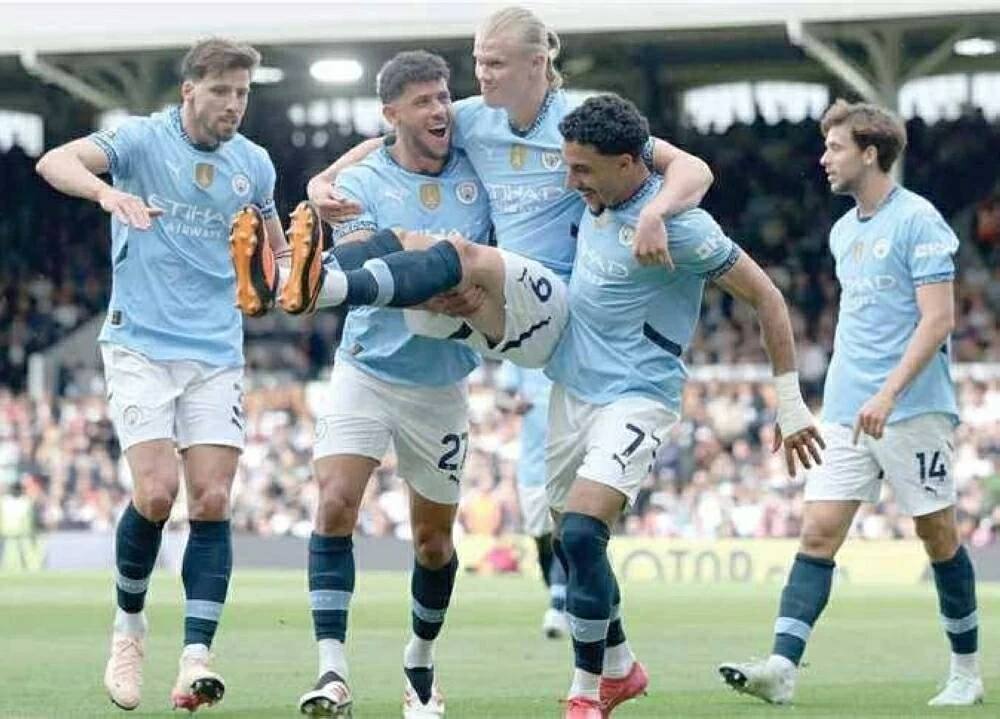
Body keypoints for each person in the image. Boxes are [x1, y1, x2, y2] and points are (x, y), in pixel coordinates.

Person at [548, 94, 822, 718]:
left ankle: (585, 694)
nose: (571, 182)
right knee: (571, 543)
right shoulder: (605, 189)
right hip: (570, 389)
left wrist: (790, 403)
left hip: (638, 394)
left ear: (627, 164)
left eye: (582, 170)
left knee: (584, 534)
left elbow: (768, 298)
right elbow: (690, 165)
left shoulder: (687, 230)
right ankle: (621, 667)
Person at [35, 38, 286, 712]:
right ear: (189, 90)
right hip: (140, 343)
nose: (233, 105)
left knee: (212, 499)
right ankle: (129, 629)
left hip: (215, 349)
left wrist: (291, 274)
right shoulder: (141, 140)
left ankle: (197, 657)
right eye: (222, 91)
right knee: (154, 494)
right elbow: (54, 161)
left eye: (243, 93)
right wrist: (106, 194)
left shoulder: (254, 164)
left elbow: (277, 252)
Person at [718, 100, 983, 707]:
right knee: (817, 533)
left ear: (869, 153)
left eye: (835, 147)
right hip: (845, 409)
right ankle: (782, 666)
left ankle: (966, 673)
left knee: (937, 535)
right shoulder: (843, 232)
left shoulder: (919, 220)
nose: (823, 158)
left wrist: (888, 393)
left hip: (912, 408)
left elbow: (938, 320)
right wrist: (814, 404)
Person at [255, 51, 491, 719]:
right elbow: (374, 257)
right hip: (367, 368)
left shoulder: (477, 168)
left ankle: (420, 662)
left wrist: (474, 284)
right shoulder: (360, 182)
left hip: (442, 381)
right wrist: (436, 274)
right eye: (423, 102)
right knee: (334, 505)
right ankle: (332, 671)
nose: (440, 110)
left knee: (433, 542)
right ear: (392, 115)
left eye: (443, 97)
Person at [495, 363, 569, 638]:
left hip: (569, 458)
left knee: (565, 534)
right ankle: (561, 599)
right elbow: (500, 397)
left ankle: (557, 606)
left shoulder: (573, 345)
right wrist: (513, 405)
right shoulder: (522, 353)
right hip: (533, 468)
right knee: (542, 540)